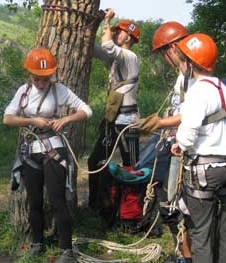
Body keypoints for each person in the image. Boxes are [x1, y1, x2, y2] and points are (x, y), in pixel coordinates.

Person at [3, 48, 92, 263]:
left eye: (46, 79)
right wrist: (33, 121)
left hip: (53, 150)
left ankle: (66, 250)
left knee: (57, 201)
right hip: (30, 152)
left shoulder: (59, 90)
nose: (42, 83)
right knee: (34, 201)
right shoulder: (23, 92)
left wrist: (66, 119)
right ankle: (37, 243)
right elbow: (7, 118)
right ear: (29, 75)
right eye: (37, 79)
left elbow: (86, 110)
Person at [171, 33, 226, 263]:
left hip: (205, 169)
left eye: (182, 61)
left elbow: (188, 134)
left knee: (201, 232)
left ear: (190, 64)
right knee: (223, 228)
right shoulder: (222, 88)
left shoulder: (197, 92)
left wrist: (179, 143)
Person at [135, 21, 193, 263]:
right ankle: (182, 253)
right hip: (173, 143)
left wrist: (160, 123)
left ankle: (187, 257)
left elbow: (191, 115)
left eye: (163, 53)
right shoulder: (183, 76)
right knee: (166, 199)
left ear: (172, 48)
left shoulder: (192, 76)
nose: (164, 59)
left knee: (180, 206)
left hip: (186, 149)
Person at [87, 8, 141, 222]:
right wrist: (96, 24)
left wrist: (107, 21)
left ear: (128, 36)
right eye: (116, 30)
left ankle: (132, 213)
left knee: (132, 167)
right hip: (113, 119)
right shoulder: (116, 60)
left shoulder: (130, 56)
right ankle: (98, 205)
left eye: (119, 31)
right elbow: (93, 48)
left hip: (128, 120)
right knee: (95, 161)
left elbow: (108, 45)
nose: (116, 33)